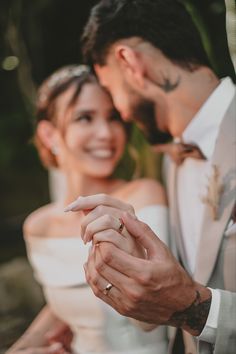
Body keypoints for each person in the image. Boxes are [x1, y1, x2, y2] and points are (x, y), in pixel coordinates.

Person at [64, 1, 236, 353]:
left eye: (112, 92)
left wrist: (194, 308)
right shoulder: (172, 162)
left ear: (130, 63)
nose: (123, 115)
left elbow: (189, 300)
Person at [7, 65, 169, 354]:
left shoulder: (144, 195)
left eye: (113, 118)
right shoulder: (38, 226)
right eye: (85, 118)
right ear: (49, 135)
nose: (106, 133)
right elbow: (60, 305)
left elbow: (157, 312)